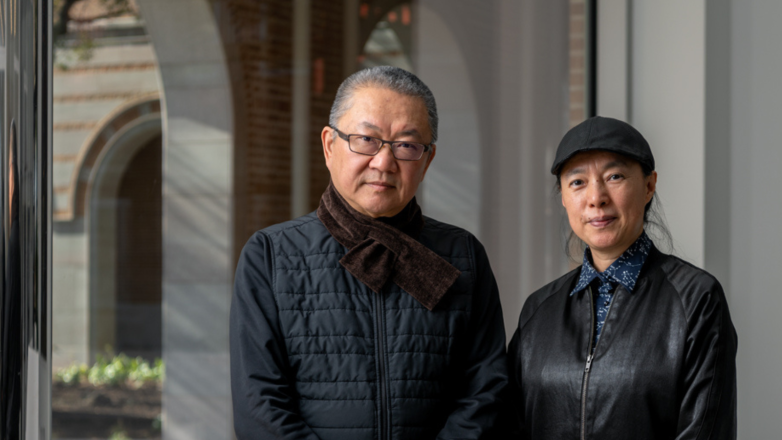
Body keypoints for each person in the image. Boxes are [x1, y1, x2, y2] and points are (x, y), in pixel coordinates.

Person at [230, 66, 509, 440]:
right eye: (366, 139)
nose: (383, 162)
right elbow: (259, 407)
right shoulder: (270, 255)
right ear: (329, 145)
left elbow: (485, 393)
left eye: (407, 146)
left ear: (427, 160)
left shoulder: (462, 255)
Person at [507, 116, 737, 439]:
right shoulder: (537, 311)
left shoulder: (696, 299)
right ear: (562, 196)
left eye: (614, 176)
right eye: (577, 182)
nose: (596, 197)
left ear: (648, 185)